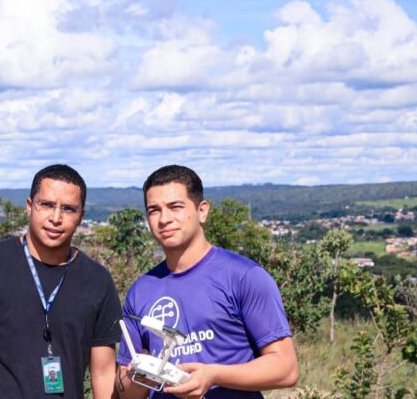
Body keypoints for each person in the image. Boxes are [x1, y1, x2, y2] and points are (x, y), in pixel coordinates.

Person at [0, 164, 122, 399]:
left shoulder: (97, 280)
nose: (56, 218)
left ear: (81, 216)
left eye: (68, 209)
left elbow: (103, 371)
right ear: (30, 206)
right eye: (46, 205)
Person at [116, 165, 298, 399]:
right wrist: (143, 372)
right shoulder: (140, 291)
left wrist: (213, 375)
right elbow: (125, 392)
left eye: (175, 207)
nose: (164, 219)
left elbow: (286, 369)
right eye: (154, 210)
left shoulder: (244, 276)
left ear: (202, 211)